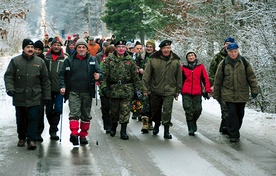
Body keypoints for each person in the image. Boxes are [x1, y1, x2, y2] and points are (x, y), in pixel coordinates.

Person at [4, 39, 51, 150]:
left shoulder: (40, 62)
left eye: (32, 47)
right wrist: (10, 89)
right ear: (23, 49)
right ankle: (21, 137)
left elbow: (45, 80)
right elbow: (9, 76)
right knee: (21, 118)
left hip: (35, 95)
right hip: (19, 95)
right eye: (28, 47)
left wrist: (47, 95)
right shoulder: (15, 61)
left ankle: (31, 140)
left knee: (33, 118)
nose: (30, 49)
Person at [59, 38, 102, 145]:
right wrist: (63, 86)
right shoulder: (68, 61)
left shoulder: (92, 60)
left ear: (86, 49)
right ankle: (74, 134)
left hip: (87, 91)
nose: (81, 49)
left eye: (83, 47)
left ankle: (83, 135)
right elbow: (61, 75)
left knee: (86, 115)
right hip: (73, 91)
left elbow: (100, 72)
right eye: (79, 47)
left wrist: (98, 76)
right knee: (74, 113)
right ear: (76, 48)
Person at [213, 42, 259, 142]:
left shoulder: (244, 62)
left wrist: (255, 89)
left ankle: (233, 129)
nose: (233, 54)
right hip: (228, 93)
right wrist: (216, 94)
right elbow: (218, 80)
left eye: (235, 51)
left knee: (240, 113)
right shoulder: (223, 63)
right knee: (232, 113)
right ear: (228, 52)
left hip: (242, 93)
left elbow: (251, 77)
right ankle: (233, 134)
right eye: (231, 52)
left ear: (238, 51)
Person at [101, 40, 140, 140]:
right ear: (115, 48)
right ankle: (114, 126)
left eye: (123, 46)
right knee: (114, 111)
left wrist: (137, 90)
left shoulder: (130, 60)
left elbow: (135, 76)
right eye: (119, 47)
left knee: (125, 110)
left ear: (126, 48)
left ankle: (123, 130)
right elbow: (104, 76)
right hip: (113, 89)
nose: (121, 49)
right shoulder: (109, 59)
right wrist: (104, 87)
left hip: (127, 89)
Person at [142, 40, 182, 139]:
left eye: (168, 48)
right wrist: (145, 88)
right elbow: (147, 74)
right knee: (155, 109)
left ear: (170, 49)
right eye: (164, 48)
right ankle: (156, 124)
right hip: (155, 89)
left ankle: (166, 131)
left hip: (170, 89)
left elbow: (179, 76)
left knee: (167, 110)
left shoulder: (176, 60)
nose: (166, 50)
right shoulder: (153, 59)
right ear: (161, 49)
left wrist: (178, 90)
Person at [209, 37, 235, 135]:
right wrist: (212, 85)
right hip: (220, 87)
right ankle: (226, 128)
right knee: (225, 108)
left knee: (232, 109)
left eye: (230, 43)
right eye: (226, 43)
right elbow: (211, 72)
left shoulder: (237, 57)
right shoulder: (218, 57)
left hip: (233, 88)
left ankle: (225, 127)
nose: (227, 45)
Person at [181, 51, 211, 135]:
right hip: (186, 92)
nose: (191, 57)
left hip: (197, 92)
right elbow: (180, 80)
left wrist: (207, 90)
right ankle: (191, 127)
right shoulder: (183, 67)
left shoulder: (200, 66)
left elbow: (205, 79)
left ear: (195, 57)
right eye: (189, 56)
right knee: (188, 109)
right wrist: (177, 90)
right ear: (187, 58)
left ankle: (193, 121)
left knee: (198, 109)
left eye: (192, 55)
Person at [44, 37, 66, 140]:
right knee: (48, 110)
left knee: (57, 110)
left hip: (60, 89)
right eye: (54, 45)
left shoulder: (65, 58)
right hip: (48, 89)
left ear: (60, 46)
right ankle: (51, 126)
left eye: (58, 45)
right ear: (51, 46)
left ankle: (53, 129)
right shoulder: (45, 58)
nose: (56, 47)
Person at [135, 40, 156, 133]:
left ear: (154, 48)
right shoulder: (141, 57)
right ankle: (145, 124)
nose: (149, 48)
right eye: (147, 46)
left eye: (150, 46)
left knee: (153, 104)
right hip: (143, 83)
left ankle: (151, 122)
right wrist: (139, 69)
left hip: (155, 84)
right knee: (145, 103)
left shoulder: (157, 57)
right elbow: (135, 66)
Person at [97, 45, 115, 133]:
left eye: (113, 53)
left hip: (115, 90)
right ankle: (107, 125)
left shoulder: (118, 63)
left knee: (114, 109)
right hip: (104, 89)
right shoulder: (102, 63)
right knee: (105, 108)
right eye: (109, 53)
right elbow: (101, 76)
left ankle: (113, 124)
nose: (111, 55)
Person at [34, 40, 47, 142]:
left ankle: (38, 133)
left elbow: (46, 78)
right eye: (35, 49)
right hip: (28, 91)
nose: (37, 51)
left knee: (39, 113)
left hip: (40, 91)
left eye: (39, 49)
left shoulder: (44, 61)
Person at [131, 41, 144, 121]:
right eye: (137, 48)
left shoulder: (143, 57)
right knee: (134, 97)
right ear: (134, 49)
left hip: (142, 78)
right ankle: (134, 111)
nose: (139, 50)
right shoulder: (131, 57)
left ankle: (140, 112)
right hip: (133, 79)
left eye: (140, 48)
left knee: (140, 96)